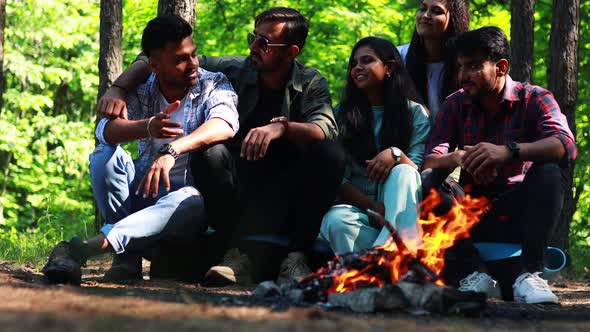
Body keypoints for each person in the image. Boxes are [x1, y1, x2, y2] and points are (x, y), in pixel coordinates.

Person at [96, 7, 345, 286]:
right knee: (210, 153)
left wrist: (282, 127)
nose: (253, 46)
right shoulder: (234, 69)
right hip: (237, 188)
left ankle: (297, 257)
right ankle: (233, 254)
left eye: (264, 43)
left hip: (288, 189)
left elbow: (324, 128)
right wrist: (118, 88)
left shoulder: (310, 82)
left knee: (330, 154)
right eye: (254, 37)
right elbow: (159, 57)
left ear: (291, 51)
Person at [41, 15, 239, 285]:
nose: (193, 64)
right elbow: (105, 131)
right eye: (181, 59)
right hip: (143, 193)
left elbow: (224, 124)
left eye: (193, 54)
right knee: (104, 156)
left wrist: (171, 151)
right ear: (154, 66)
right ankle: (127, 260)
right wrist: (147, 127)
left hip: (187, 206)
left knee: (190, 199)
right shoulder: (143, 89)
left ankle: (82, 249)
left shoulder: (212, 83)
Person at [423, 26, 576, 304]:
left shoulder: (535, 98)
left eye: (472, 66)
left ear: (501, 67)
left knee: (551, 169)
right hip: (470, 214)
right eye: (460, 67)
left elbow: (565, 144)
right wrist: (458, 158)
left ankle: (530, 273)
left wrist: (508, 152)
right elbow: (430, 160)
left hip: (520, 212)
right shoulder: (454, 104)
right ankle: (472, 274)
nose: (463, 76)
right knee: (432, 178)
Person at [320, 37, 430, 255]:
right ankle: (388, 260)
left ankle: (388, 255)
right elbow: (338, 178)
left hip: (404, 209)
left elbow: (416, 169)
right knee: (336, 221)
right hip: (359, 211)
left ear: (389, 67)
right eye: (354, 63)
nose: (357, 68)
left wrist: (395, 154)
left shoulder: (415, 113)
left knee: (403, 171)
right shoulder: (340, 114)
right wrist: (374, 209)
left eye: (367, 60)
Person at [398, 0, 470, 119]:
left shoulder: (466, 65)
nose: (425, 15)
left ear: (454, 19)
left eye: (436, 11)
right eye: (422, 9)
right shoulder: (399, 57)